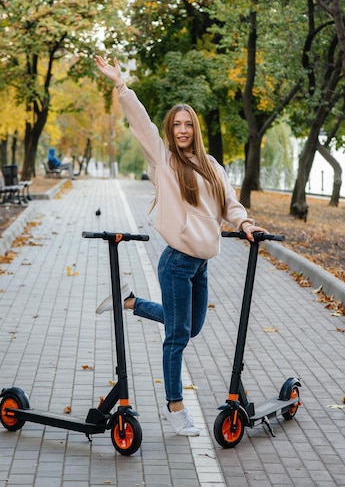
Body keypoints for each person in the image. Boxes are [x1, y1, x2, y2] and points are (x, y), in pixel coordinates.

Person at [94, 55, 267, 437]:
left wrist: (246, 223)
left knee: (191, 329)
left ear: (196, 129)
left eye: (188, 124)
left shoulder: (212, 166)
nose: (183, 129)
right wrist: (121, 86)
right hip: (176, 262)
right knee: (176, 338)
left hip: (201, 264)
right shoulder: (164, 161)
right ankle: (176, 409)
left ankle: (129, 302)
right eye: (177, 124)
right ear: (171, 130)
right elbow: (142, 124)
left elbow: (229, 204)